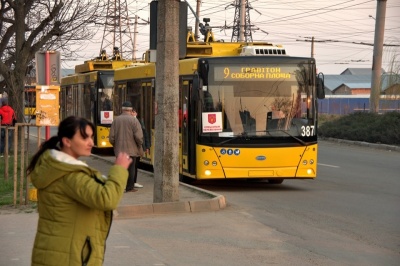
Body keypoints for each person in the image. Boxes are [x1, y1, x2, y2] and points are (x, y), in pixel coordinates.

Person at [27, 116, 132, 266]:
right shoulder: (69, 175)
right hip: (68, 257)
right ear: (67, 141)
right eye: (84, 138)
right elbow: (107, 199)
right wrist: (119, 170)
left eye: (91, 137)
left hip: (57, 253)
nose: (91, 142)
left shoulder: (57, 167)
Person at [109, 101, 143, 192]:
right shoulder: (134, 120)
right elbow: (139, 137)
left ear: (122, 110)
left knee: (121, 168)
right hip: (132, 149)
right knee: (131, 169)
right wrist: (139, 145)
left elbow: (111, 137)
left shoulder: (116, 120)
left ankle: (119, 186)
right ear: (131, 110)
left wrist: (115, 145)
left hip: (119, 149)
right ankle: (129, 187)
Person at [131, 107, 151, 188]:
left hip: (138, 147)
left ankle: (133, 181)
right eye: (131, 112)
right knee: (131, 165)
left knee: (135, 165)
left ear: (136, 113)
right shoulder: (128, 121)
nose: (132, 113)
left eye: (133, 112)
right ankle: (130, 182)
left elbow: (144, 133)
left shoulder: (139, 121)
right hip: (131, 147)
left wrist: (146, 146)